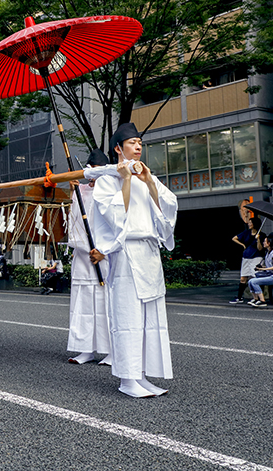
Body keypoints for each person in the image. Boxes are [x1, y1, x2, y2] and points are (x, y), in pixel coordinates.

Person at [92, 122, 177, 398]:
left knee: (149, 318)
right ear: (118, 148)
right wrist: (125, 179)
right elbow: (116, 216)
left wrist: (149, 180)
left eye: (140, 142)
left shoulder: (145, 175)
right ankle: (127, 379)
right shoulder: (107, 179)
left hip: (149, 253)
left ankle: (141, 375)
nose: (138, 146)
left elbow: (166, 207)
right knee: (128, 315)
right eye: (132, 142)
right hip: (127, 252)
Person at [66, 149, 112, 365]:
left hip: (104, 257)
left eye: (99, 172)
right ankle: (86, 349)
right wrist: (73, 191)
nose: (94, 177)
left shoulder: (113, 191)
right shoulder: (79, 192)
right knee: (83, 304)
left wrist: (104, 250)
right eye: (92, 172)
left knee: (106, 305)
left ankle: (112, 351)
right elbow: (73, 224)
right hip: (83, 256)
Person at [230, 217, 264, 304]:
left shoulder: (262, 235)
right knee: (243, 278)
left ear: (254, 224)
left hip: (256, 257)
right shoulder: (246, 233)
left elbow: (260, 249)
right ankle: (239, 297)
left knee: (254, 277)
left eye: (250, 222)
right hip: (246, 257)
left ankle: (257, 298)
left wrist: (258, 239)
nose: (249, 224)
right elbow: (234, 238)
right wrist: (242, 245)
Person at [247, 235, 273, 307]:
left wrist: (263, 269)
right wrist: (261, 267)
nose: (263, 243)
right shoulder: (268, 252)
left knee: (254, 282)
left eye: (264, 241)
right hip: (270, 274)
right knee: (250, 281)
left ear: (269, 243)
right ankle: (255, 298)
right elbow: (270, 266)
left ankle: (262, 300)